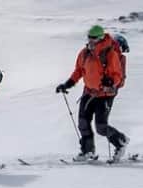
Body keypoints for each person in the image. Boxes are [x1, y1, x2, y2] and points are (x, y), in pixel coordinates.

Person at [55, 25, 130, 163]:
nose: (90, 40)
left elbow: (117, 75)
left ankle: (120, 141)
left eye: (94, 37)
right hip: (88, 92)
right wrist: (67, 84)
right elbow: (78, 71)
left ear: (101, 38)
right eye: (89, 37)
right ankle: (88, 151)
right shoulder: (84, 53)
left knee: (101, 127)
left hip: (105, 95)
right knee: (83, 123)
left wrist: (111, 82)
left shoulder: (110, 53)